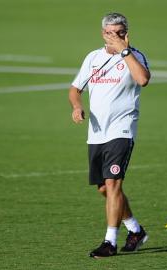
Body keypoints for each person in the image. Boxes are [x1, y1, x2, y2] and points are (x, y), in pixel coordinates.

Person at [68, 12, 151, 258]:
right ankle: (135, 230)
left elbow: (143, 79)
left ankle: (110, 242)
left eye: (122, 33)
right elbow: (75, 88)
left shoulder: (135, 56)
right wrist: (76, 106)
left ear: (127, 33)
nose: (117, 37)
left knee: (114, 184)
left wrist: (124, 51)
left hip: (121, 130)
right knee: (104, 188)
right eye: (113, 33)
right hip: (96, 132)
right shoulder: (93, 58)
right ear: (104, 33)